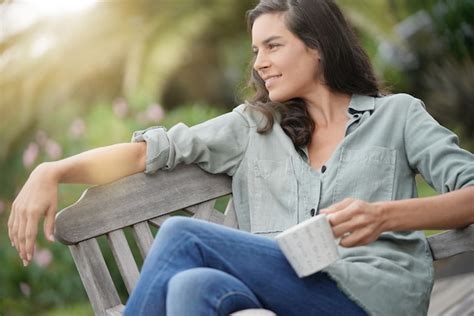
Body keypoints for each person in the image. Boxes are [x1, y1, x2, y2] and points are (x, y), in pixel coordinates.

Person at [8, 0, 474, 315]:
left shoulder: (398, 115)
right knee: (191, 288)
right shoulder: (252, 127)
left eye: (273, 46)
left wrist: (385, 216)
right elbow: (148, 152)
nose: (259, 62)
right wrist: (54, 169)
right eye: (256, 50)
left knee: (181, 235)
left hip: (373, 296)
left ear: (318, 49)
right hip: (285, 290)